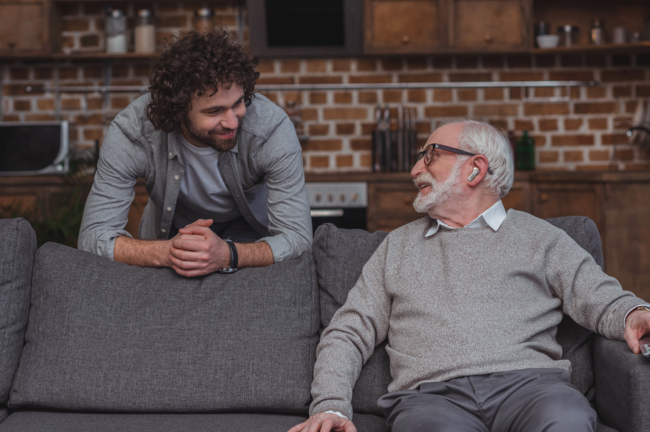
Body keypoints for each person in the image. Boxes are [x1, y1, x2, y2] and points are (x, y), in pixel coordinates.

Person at [289, 120, 650, 432]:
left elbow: (597, 294)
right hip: (430, 399)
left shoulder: (541, 238)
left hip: (533, 388)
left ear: (475, 169)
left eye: (429, 156)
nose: (415, 170)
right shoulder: (397, 248)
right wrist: (331, 405)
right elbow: (348, 332)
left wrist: (634, 314)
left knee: (567, 419)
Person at [79, 30, 312, 276]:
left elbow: (298, 239)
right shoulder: (132, 132)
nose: (232, 122)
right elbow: (93, 238)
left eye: (238, 103)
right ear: (178, 111)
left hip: (251, 235)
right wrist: (167, 252)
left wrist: (229, 254)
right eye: (214, 112)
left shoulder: (271, 128)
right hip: (171, 235)